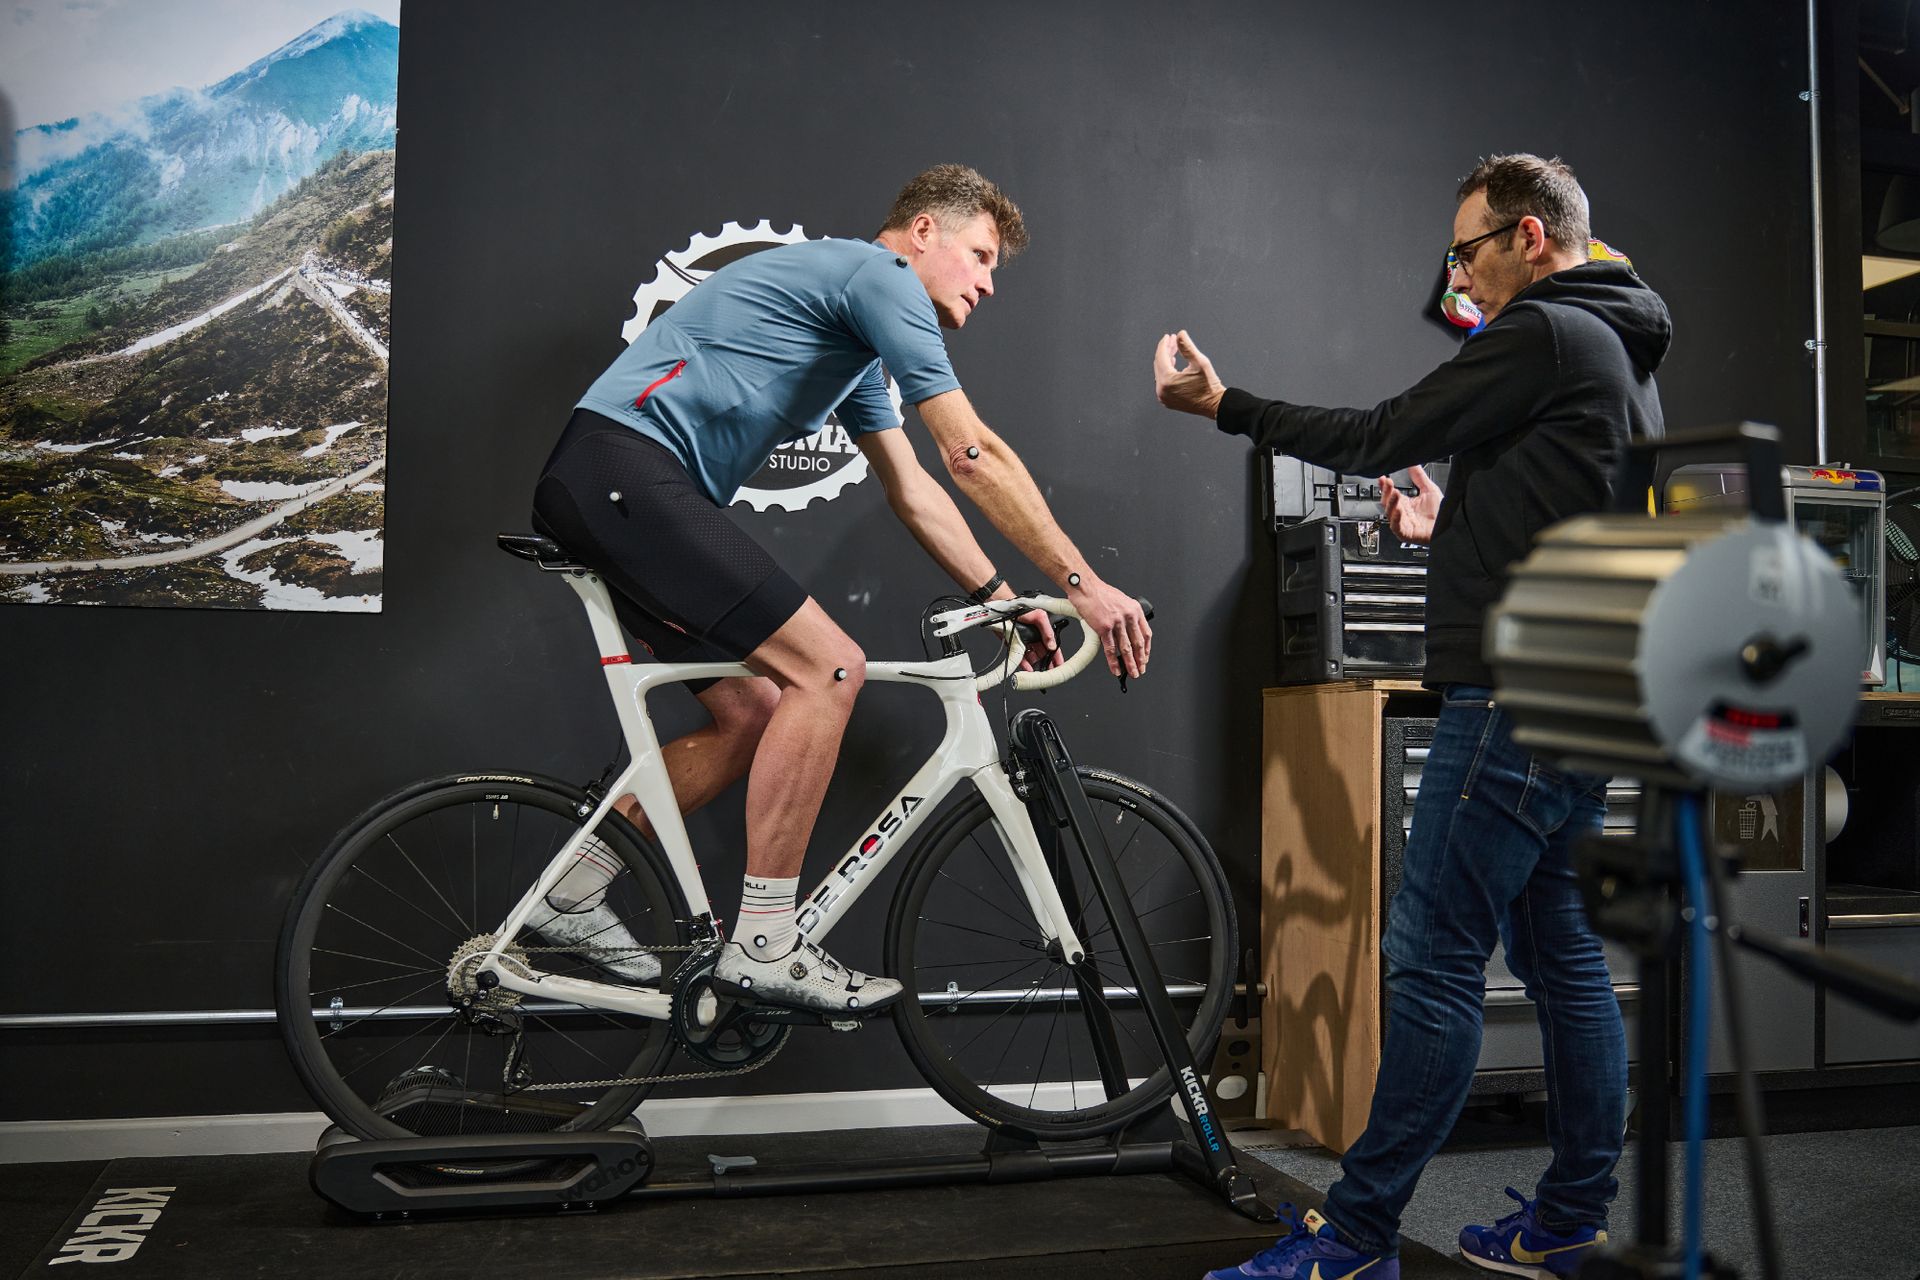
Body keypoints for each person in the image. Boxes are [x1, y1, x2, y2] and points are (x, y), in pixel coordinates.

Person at [1154, 153, 1670, 1279]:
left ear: (1529, 237)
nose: (1463, 278)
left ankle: (1354, 1236)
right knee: (1562, 958)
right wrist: (1456, 524)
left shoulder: (1540, 332)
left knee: (1433, 959)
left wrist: (1223, 405)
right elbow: (1565, 519)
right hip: (1589, 692)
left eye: (1470, 252)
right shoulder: (1617, 346)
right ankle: (1567, 1221)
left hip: (1515, 698)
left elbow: (1380, 430)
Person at [526, 164, 1153, 1015]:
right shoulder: (879, 277)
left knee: (751, 711)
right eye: (980, 255)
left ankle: (573, 892)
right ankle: (766, 942)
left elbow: (914, 491)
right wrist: (1085, 586)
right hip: (623, 472)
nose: (989, 283)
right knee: (828, 669)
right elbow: (967, 456)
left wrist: (1001, 594)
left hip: (614, 483)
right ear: (923, 232)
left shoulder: (851, 331)